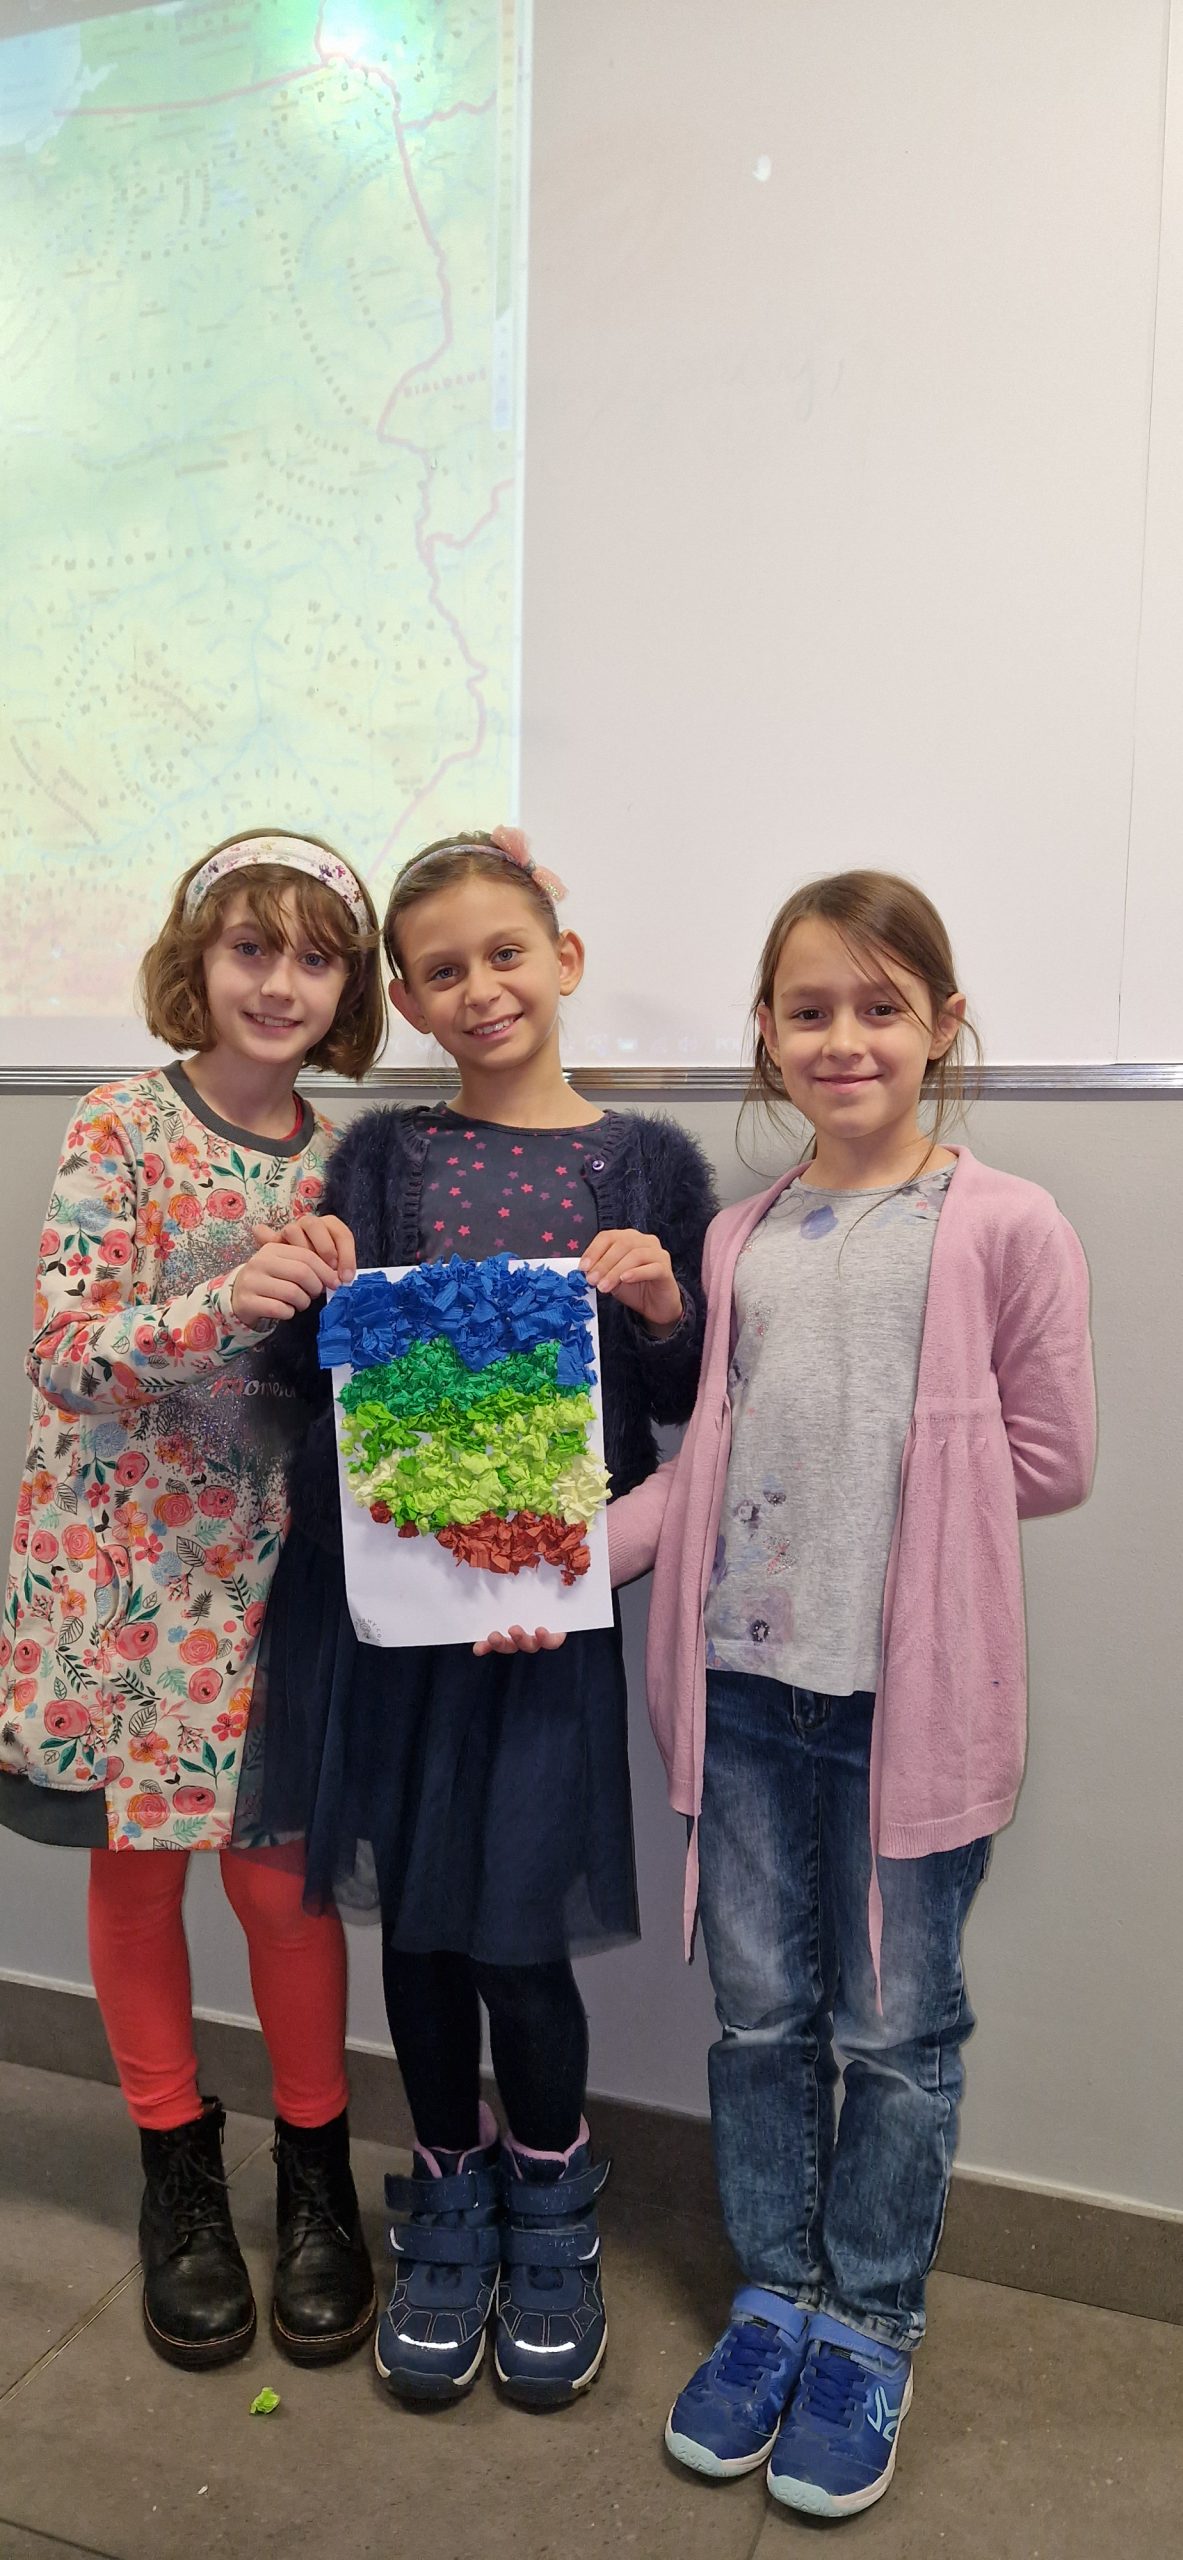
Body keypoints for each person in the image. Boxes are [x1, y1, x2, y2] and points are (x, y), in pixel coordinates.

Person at [605, 869, 1095, 2518]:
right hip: (745, 1694)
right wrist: (555, 1568)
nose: (844, 1039)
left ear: (942, 1026)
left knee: (896, 2032)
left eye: (882, 1007)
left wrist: (904, 1510)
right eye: (809, 1009)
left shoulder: (1006, 1223)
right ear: (765, 1031)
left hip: (909, 1705)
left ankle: (870, 2321)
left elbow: (1052, 1459)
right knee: (761, 2019)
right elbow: (704, 1464)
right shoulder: (738, 1238)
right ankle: (777, 2298)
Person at [250, 826, 716, 2407]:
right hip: (399, 1623)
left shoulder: (648, 1167)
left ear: (563, 960)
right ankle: (446, 2196)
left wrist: (660, 1304)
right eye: (442, 970)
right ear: (407, 1000)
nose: (481, 987)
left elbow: (680, 1403)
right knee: (426, 1936)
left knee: (520, 1937)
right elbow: (310, 1386)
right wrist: (307, 1286)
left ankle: (552, 2202)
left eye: (506, 953)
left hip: (545, 1628)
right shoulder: (381, 1163)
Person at [0, 831, 387, 2371]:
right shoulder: (117, 1123)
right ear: (197, 961)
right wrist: (222, 1302)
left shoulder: (350, 1162)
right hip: (125, 1578)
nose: (280, 982)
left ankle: (315, 2174)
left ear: (350, 987)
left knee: (281, 1889)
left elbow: (362, 1387)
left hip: (275, 1575)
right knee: (139, 1874)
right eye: (250, 948)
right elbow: (65, 1356)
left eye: (314, 957)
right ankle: (176, 2168)